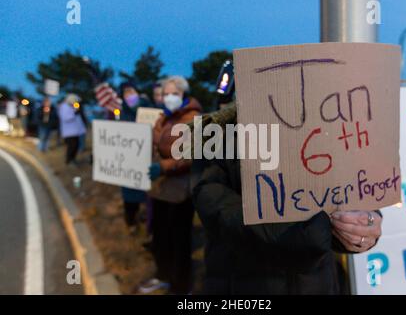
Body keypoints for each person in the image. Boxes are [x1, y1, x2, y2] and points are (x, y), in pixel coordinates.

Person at [190, 101, 383, 295]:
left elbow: (353, 193)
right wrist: (310, 229)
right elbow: (216, 207)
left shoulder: (328, 124)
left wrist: (361, 226)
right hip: (244, 284)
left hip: (317, 283)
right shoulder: (217, 133)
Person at [141, 76, 202, 294]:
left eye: (174, 93)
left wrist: (164, 167)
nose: (169, 97)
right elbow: (154, 145)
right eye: (166, 93)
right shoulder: (163, 118)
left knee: (179, 240)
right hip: (160, 188)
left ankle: (180, 286)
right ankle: (162, 276)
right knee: (160, 236)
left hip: (180, 190)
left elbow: (191, 155)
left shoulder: (193, 118)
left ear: (183, 95)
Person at [117, 82, 152, 234]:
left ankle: (146, 218)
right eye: (126, 93)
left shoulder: (148, 109)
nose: (129, 95)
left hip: (146, 157)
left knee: (147, 193)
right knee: (129, 195)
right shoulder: (122, 112)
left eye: (131, 91)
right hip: (128, 161)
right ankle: (130, 220)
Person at [58, 94, 86, 165]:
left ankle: (73, 159)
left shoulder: (72, 106)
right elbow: (66, 118)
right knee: (71, 146)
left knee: (76, 146)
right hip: (69, 132)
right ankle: (69, 160)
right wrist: (75, 112)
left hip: (75, 131)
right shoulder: (64, 107)